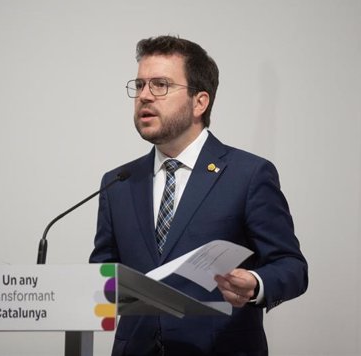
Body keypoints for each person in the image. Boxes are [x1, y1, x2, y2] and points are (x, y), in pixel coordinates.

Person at [90, 35, 308, 356]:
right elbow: (102, 275)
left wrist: (255, 284)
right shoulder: (119, 182)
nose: (144, 96)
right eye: (139, 85)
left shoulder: (247, 175)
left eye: (160, 85)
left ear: (200, 102)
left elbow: (291, 266)